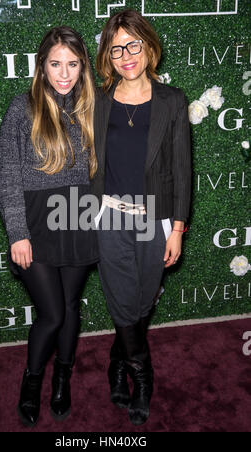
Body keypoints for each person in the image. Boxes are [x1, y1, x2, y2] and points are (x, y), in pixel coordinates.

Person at [0, 26, 98, 428]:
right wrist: (17, 232)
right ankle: (32, 382)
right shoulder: (22, 108)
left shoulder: (91, 108)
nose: (64, 73)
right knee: (51, 314)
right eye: (56, 64)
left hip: (78, 217)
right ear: (42, 66)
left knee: (70, 308)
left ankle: (62, 380)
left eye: (72, 64)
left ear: (83, 67)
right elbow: (7, 174)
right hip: (35, 223)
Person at [94, 9, 192, 426]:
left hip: (154, 221)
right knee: (122, 301)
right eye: (116, 49)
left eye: (133, 44)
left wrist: (178, 228)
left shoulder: (172, 101)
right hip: (109, 219)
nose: (126, 55)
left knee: (140, 303)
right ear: (108, 56)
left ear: (149, 47)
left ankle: (117, 362)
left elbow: (183, 170)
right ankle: (142, 377)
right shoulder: (96, 101)